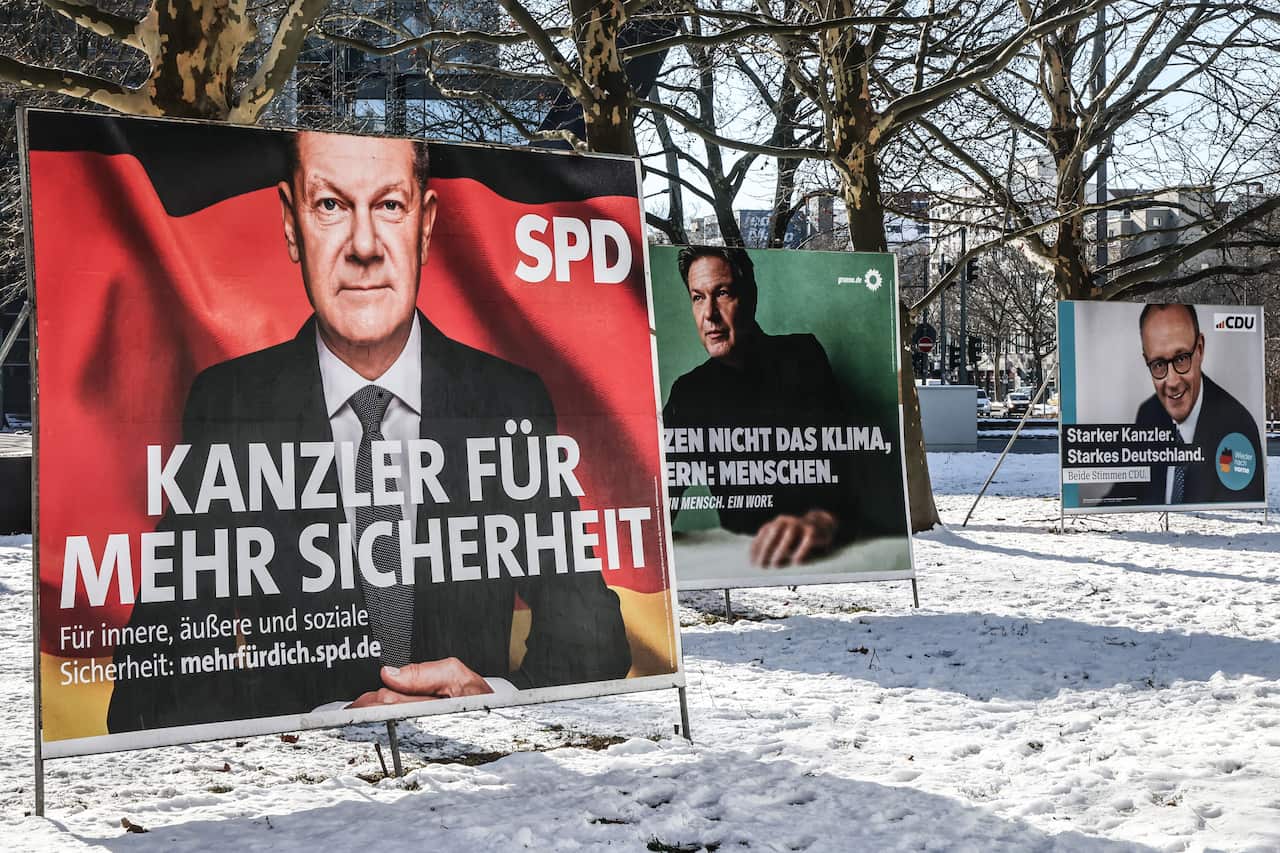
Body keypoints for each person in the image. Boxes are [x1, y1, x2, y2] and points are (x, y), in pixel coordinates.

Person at [106, 131, 630, 733]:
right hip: (314, 782)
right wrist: (321, 722)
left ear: (425, 226)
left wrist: (490, 698)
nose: (363, 246)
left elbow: (594, 638)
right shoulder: (229, 406)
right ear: (291, 223)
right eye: (331, 205)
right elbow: (152, 683)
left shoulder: (507, 400)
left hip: (477, 771)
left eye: (389, 205)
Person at [661, 245, 860, 567]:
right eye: (697, 297)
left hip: (822, 560)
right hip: (744, 564)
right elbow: (663, 494)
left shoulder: (803, 357)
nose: (709, 314)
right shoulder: (689, 392)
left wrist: (822, 518)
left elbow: (844, 459)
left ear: (750, 297)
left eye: (722, 293)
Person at [1106, 303, 1264, 506]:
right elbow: (1124, 491)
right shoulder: (1149, 412)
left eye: (1181, 359)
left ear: (1199, 350)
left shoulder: (1238, 426)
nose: (1172, 382)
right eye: (1158, 364)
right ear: (1147, 361)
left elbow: (1238, 506)